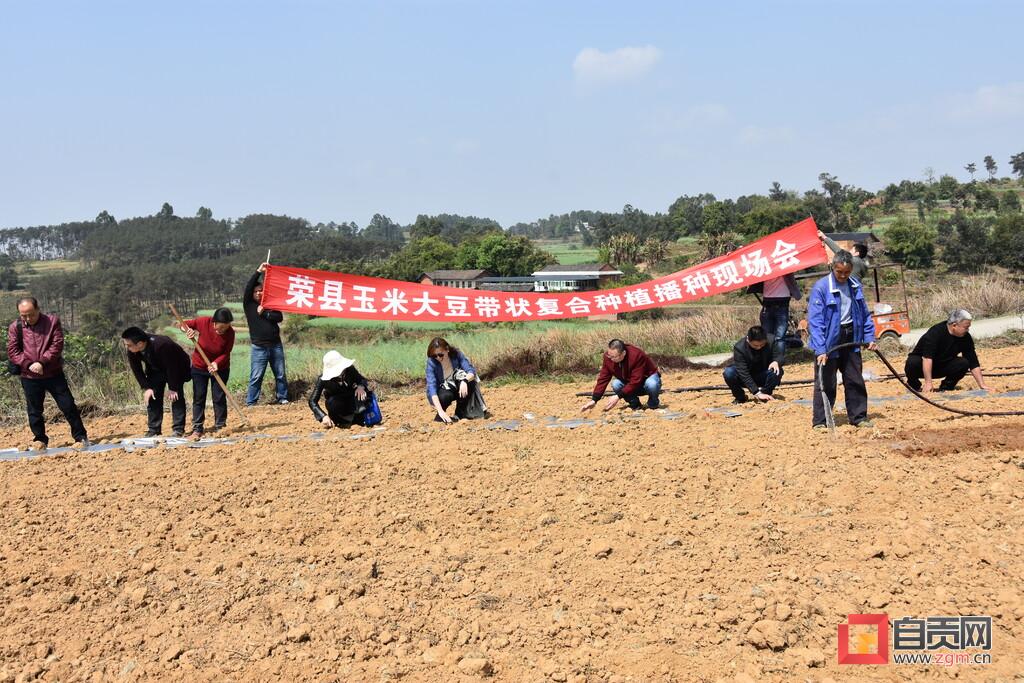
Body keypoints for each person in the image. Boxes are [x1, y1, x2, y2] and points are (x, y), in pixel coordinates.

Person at [6, 297, 90, 449]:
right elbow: (13, 351)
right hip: (29, 376)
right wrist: (28, 364)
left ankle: (80, 437)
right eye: (23, 315)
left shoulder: (52, 322)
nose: (27, 318)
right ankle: (40, 439)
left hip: (53, 373)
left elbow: (57, 345)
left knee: (68, 405)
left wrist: (42, 362)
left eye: (30, 314)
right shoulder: (15, 327)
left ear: (38, 309)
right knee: (34, 410)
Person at [808, 251, 877, 429]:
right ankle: (821, 421)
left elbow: (864, 313)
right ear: (833, 267)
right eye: (840, 272)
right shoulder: (821, 288)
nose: (843, 276)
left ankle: (858, 417)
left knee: (854, 378)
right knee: (826, 381)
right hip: (830, 340)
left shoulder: (855, 285)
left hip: (851, 336)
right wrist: (821, 349)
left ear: (851, 269)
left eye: (847, 272)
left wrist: (869, 336)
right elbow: (815, 322)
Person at [121, 327, 192, 438]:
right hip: (155, 369)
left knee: (175, 396)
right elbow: (137, 369)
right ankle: (154, 430)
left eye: (129, 345)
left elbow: (172, 367)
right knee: (152, 396)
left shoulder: (162, 344)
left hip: (177, 367)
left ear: (139, 344)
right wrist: (147, 387)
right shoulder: (132, 350)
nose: (127, 347)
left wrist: (173, 387)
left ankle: (178, 429)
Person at [180, 307, 235, 439]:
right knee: (199, 397)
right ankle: (197, 428)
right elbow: (183, 324)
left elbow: (226, 352)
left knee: (219, 397)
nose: (221, 331)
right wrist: (188, 331)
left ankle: (220, 426)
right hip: (199, 367)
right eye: (219, 327)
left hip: (220, 368)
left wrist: (216, 363)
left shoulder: (230, 333)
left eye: (225, 328)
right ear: (214, 322)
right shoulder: (204, 322)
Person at [904, 309, 990, 393]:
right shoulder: (935, 333)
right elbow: (927, 358)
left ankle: (946, 387)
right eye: (966, 327)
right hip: (923, 367)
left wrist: (982, 384)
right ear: (954, 325)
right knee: (912, 362)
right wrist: (928, 383)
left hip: (943, 366)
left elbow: (973, 362)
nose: (968, 330)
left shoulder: (965, 337)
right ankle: (913, 386)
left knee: (963, 363)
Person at [244, 263, 289, 406]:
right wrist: (259, 271)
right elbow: (248, 287)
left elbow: (279, 317)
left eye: (261, 291)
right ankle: (251, 402)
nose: (259, 293)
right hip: (259, 347)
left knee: (280, 374)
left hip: (275, 345)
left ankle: (282, 397)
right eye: (256, 291)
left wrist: (265, 312)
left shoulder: (270, 304)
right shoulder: (249, 305)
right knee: (256, 376)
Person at [580, 339, 661, 412]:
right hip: (630, 383)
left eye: (614, 357)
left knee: (652, 384)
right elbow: (603, 378)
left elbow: (636, 381)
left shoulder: (637, 355)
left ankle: (653, 405)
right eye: (609, 355)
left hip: (645, 380)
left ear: (623, 353)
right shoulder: (608, 357)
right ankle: (636, 406)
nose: (611, 359)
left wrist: (618, 396)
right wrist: (594, 399)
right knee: (616, 384)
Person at [425, 337, 488, 423]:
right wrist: (440, 411)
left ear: (447, 349)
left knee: (470, 382)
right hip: (442, 390)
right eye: (434, 356)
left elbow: (471, 371)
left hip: (456, 386)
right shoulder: (431, 362)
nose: (438, 358)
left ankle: (459, 414)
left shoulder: (456, 354)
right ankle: (440, 417)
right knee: (445, 396)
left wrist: (464, 381)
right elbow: (432, 388)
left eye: (440, 355)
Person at [309, 351, 377, 428]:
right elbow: (312, 401)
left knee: (362, 394)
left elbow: (361, 379)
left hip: (353, 401)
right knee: (332, 402)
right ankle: (343, 422)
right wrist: (323, 416)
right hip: (337, 406)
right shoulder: (322, 379)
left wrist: (361, 386)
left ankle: (359, 419)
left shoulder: (350, 370)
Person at [746, 273, 802, 362]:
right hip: (771, 302)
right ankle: (769, 360)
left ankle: (777, 361)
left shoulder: (784, 266)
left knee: (777, 337)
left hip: (778, 302)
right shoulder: (765, 266)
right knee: (771, 337)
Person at [723, 325, 783, 404]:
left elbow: (780, 356)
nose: (759, 347)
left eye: (762, 345)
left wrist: (776, 361)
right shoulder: (739, 348)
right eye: (755, 345)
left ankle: (765, 394)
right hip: (746, 377)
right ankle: (740, 397)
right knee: (728, 372)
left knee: (777, 370)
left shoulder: (771, 340)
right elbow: (743, 372)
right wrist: (756, 392)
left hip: (763, 374)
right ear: (748, 340)